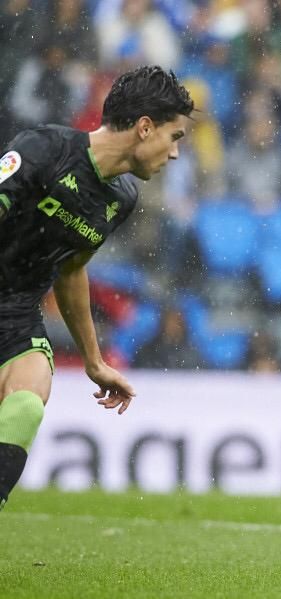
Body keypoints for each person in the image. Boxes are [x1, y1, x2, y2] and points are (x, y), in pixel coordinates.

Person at [0, 65, 193, 510]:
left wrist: (93, 360)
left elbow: (71, 269)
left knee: (26, 407)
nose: (176, 153)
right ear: (145, 128)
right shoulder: (43, 149)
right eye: (175, 137)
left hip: (16, 318)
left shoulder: (121, 198)